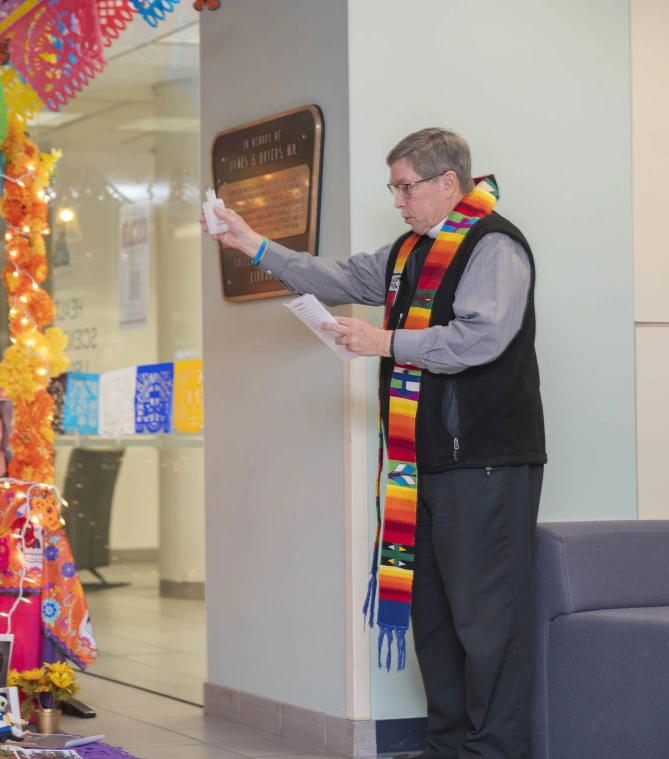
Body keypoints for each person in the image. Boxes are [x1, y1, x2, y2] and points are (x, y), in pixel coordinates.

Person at [203, 128, 545, 759]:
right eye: (395, 187)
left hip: (486, 463)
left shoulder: (493, 245)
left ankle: (496, 751)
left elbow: (480, 339)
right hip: (425, 464)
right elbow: (335, 275)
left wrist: (382, 342)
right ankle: (448, 748)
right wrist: (250, 243)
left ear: (448, 184)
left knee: (487, 620)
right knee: (435, 616)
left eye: (405, 187)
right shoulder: (411, 251)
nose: (397, 200)